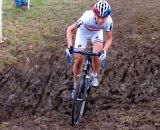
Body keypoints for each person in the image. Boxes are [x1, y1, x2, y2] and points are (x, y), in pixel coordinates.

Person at [66, 0, 113, 97]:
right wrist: (70, 45)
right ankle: (75, 85)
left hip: (96, 34)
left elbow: (109, 39)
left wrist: (104, 51)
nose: (100, 21)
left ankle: (94, 74)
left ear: (107, 16)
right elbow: (70, 30)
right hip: (83, 32)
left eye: (103, 18)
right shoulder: (86, 18)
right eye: (98, 17)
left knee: (97, 54)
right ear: (94, 13)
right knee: (78, 60)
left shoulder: (109, 21)